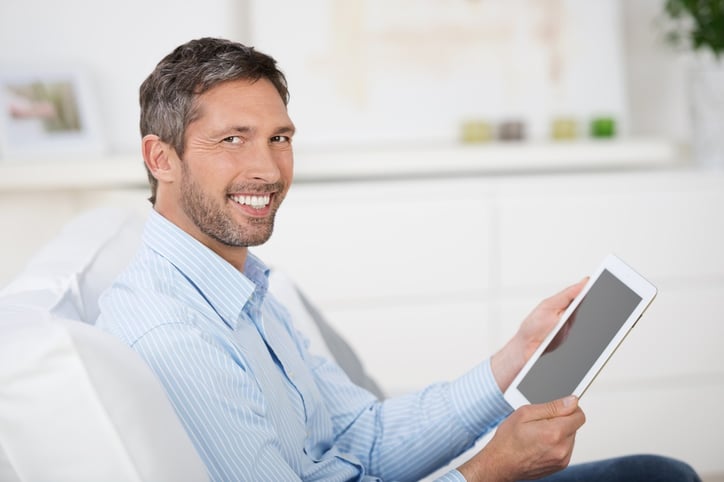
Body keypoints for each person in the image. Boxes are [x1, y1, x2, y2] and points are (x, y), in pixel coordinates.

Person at [96, 37, 700, 482]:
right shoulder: (173, 331)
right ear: (161, 158)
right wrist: (491, 468)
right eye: (233, 139)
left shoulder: (241, 286)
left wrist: (515, 360)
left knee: (655, 473)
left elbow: (367, 437)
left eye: (279, 138)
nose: (268, 167)